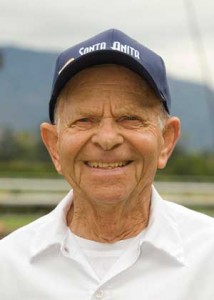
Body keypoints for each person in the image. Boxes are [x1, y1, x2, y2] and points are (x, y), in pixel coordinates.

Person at [0, 29, 214, 300]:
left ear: (166, 141)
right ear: (54, 146)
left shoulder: (209, 258)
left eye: (130, 118)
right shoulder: (7, 267)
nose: (107, 139)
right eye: (84, 120)